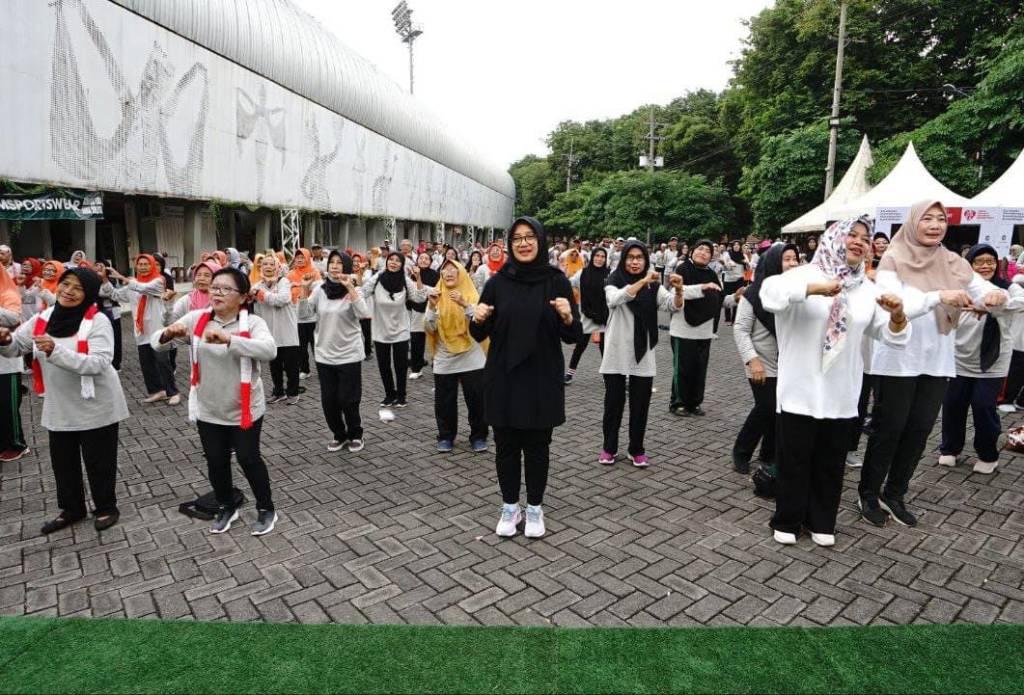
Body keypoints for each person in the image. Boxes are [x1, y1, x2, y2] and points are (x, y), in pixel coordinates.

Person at [760, 217, 910, 546]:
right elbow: (769, 295)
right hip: (799, 389)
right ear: (833, 238)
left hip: (842, 393)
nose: (859, 241)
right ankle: (787, 519)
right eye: (851, 235)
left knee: (831, 461)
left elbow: (891, 337)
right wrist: (816, 289)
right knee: (795, 459)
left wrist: (898, 315)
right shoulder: (801, 276)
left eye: (865, 238)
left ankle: (821, 521)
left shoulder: (868, 291)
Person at [860, 201, 1005, 528]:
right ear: (913, 222)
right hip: (897, 360)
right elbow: (896, 307)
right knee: (889, 428)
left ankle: (895, 493)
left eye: (941, 219)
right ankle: (868, 492)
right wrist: (939, 296)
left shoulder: (953, 262)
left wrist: (996, 296)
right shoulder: (893, 259)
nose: (935, 224)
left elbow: (980, 290)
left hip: (936, 361)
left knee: (919, 430)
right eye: (927, 218)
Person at [469, 216, 581, 539]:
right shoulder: (497, 282)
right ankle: (509, 506)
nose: (523, 243)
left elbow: (572, 335)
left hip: (541, 378)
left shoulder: (556, 281)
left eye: (529, 236)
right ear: (510, 244)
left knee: (537, 447)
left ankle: (534, 507)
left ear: (540, 240)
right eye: (517, 238)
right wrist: (476, 319)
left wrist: (568, 315)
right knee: (505, 446)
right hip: (503, 376)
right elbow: (478, 331)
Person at [0, 267, 129, 534]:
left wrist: (55, 350)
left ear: (89, 293)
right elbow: (17, 348)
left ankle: (106, 507)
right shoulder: (43, 318)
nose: (68, 291)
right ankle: (72, 509)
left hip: (97, 404)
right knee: (63, 461)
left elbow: (99, 362)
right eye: (65, 284)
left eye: (77, 287)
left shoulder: (99, 321)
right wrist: (5, 339)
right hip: (60, 404)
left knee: (99, 460)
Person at [154, 266, 278, 535]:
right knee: (216, 460)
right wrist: (168, 333)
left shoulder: (253, 324)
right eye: (214, 287)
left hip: (244, 408)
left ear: (243, 297)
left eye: (225, 289)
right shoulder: (198, 318)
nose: (217, 293)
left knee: (248, 458)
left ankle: (266, 508)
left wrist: (229, 339)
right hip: (209, 407)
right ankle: (225, 506)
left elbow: (269, 350)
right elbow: (157, 344)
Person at [939, 244, 1024, 474]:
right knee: (953, 404)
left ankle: (988, 454)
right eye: (979, 261)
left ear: (997, 264)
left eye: (990, 261)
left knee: (983, 405)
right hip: (960, 356)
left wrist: (998, 302)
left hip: (993, 360)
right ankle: (950, 448)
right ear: (970, 265)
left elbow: (1021, 302)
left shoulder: (1009, 287)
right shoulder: (959, 287)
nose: (986, 265)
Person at [599, 242, 683, 467]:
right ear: (623, 258)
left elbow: (672, 306)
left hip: (643, 351)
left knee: (641, 404)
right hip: (617, 348)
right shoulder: (613, 280)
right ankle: (609, 447)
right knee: (613, 402)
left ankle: (636, 449)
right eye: (630, 257)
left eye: (639, 258)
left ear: (646, 260)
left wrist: (679, 290)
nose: (635, 262)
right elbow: (614, 300)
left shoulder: (653, 287)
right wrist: (643, 281)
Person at [731, 242, 800, 475]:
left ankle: (768, 454)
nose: (792, 264)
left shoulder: (798, 294)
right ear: (773, 262)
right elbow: (740, 329)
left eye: (794, 259)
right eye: (786, 259)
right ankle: (741, 451)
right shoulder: (753, 294)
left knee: (780, 410)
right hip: (761, 362)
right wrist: (753, 360)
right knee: (767, 406)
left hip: (788, 363)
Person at [299, 251, 371, 453]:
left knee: (348, 399)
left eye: (340, 263)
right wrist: (304, 291)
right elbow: (304, 315)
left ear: (346, 267)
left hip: (349, 354)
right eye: (332, 262)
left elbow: (364, 314)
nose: (335, 266)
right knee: (329, 401)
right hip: (325, 354)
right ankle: (339, 434)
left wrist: (350, 287)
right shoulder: (320, 290)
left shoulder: (354, 290)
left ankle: (355, 434)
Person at [425, 260, 488, 453]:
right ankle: (445, 436)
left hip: (471, 354)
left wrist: (464, 304)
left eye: (454, 270)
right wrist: (433, 308)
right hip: (445, 356)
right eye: (445, 271)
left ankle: (479, 436)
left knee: (477, 400)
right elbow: (429, 328)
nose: (449, 274)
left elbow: (481, 321)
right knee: (444, 401)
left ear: (461, 274)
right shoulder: (436, 295)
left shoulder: (471, 294)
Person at [106, 255, 179, 405]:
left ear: (152, 266)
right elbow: (115, 295)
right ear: (136, 266)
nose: (143, 267)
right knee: (147, 363)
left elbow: (144, 288)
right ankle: (157, 391)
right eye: (140, 264)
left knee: (162, 361)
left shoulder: (158, 281)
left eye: (146, 264)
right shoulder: (132, 285)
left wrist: (123, 278)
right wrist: (105, 281)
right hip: (141, 330)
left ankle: (173, 392)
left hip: (157, 328)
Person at [362, 252, 427, 408]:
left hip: (401, 330)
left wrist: (418, 277)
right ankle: (389, 395)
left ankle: (401, 396)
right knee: (384, 366)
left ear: (402, 264)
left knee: (400, 365)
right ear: (386, 261)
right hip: (380, 330)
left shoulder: (405, 280)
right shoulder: (377, 278)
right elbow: (363, 292)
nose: (394, 263)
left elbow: (419, 298)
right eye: (391, 259)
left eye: (398, 261)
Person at [670, 240, 722, 416]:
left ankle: (694, 402)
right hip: (683, 329)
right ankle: (678, 403)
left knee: (700, 369)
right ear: (692, 251)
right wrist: (702, 287)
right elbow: (676, 292)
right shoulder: (682, 269)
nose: (704, 253)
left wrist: (735, 298)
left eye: (708, 251)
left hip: (705, 331)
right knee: (683, 369)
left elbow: (719, 299)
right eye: (700, 249)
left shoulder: (712, 274)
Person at [251, 253, 301, 405]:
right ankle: (278, 392)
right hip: (270, 332)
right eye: (264, 264)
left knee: (291, 367)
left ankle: (293, 393)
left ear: (277, 267)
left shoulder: (284, 282)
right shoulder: (257, 285)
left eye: (271, 264)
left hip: (287, 333)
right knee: (275, 366)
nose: (268, 267)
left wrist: (261, 295)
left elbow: (282, 299)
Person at [565, 247, 609, 384]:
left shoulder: (610, 274)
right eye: (597, 256)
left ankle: (607, 375)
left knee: (605, 347)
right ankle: (569, 374)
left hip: (604, 316)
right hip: (587, 315)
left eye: (602, 256)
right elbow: (568, 283)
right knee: (580, 345)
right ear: (592, 257)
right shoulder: (582, 273)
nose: (599, 259)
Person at [0, 264, 27, 462]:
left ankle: (17, 443)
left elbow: (13, 318)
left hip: (6, 361)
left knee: (7, 404)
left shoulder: (8, 292)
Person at [288, 248, 322, 379]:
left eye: (302, 257)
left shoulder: (315, 273)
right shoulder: (290, 274)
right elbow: (287, 292)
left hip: (313, 316)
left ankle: (321, 369)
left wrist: (304, 288)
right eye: (297, 258)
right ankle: (305, 369)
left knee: (316, 345)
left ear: (308, 258)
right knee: (301, 346)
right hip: (297, 317)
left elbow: (318, 291)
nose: (300, 260)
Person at [407, 252, 439, 381]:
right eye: (421, 258)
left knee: (436, 340)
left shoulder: (436, 275)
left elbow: (436, 291)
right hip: (416, 311)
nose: (424, 260)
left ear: (431, 262)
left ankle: (437, 366)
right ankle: (416, 368)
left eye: (427, 259)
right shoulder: (411, 275)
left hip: (432, 310)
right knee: (416, 340)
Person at [92, 261, 123, 371]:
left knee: (115, 338)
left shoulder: (111, 280)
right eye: (96, 265)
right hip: (99, 313)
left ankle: (116, 363)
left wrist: (104, 279)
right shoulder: (92, 280)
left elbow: (109, 293)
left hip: (113, 312)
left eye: (101, 266)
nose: (98, 268)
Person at [720, 241, 748, 324]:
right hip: (729, 280)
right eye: (735, 245)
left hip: (740, 279)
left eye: (738, 245)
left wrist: (746, 281)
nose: (736, 246)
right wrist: (728, 265)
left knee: (738, 298)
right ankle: (727, 318)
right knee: (728, 298)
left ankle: (734, 319)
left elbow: (748, 268)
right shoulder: (727, 254)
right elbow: (725, 267)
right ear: (732, 246)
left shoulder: (743, 255)